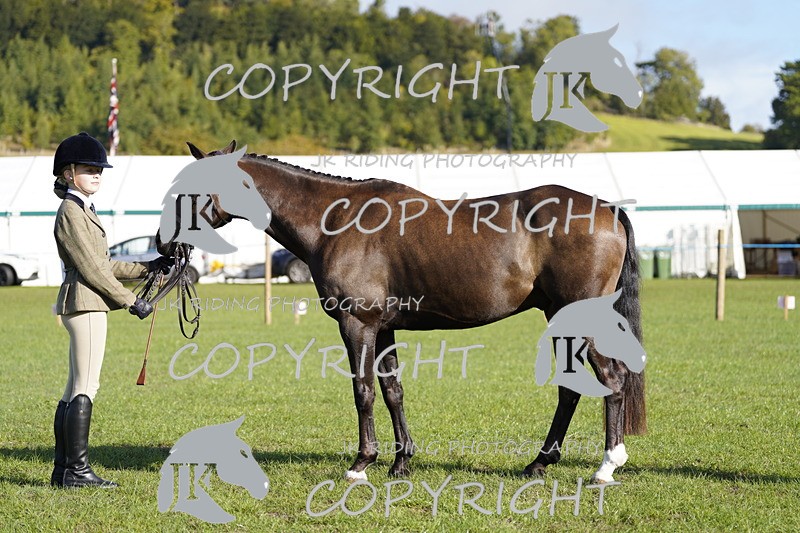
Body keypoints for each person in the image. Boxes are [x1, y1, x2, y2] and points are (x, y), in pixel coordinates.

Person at [50, 132, 170, 488]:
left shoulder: (83, 208)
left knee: (73, 388)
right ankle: (78, 471)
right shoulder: (71, 212)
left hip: (86, 302)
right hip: (84, 303)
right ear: (69, 173)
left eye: (99, 169)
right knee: (87, 384)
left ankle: (63, 469)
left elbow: (106, 263)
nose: (98, 174)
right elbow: (92, 269)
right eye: (90, 169)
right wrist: (132, 301)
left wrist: (149, 267)